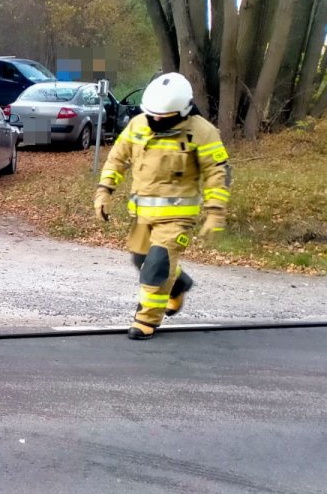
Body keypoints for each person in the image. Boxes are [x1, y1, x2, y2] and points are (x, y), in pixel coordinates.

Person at [94, 72, 231, 340]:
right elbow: (116, 160)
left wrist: (215, 212)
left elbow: (218, 172)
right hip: (142, 216)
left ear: (181, 111)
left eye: (162, 116)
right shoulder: (138, 125)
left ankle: (145, 320)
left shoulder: (201, 132)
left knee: (156, 266)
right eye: (151, 114)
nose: (155, 119)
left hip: (177, 218)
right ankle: (178, 284)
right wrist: (104, 191)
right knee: (141, 260)